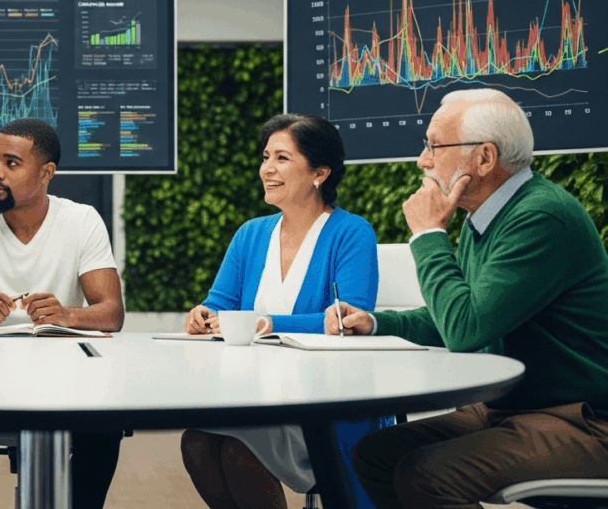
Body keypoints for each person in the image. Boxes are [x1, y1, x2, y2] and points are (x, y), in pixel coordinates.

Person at [327, 89, 608, 509]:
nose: (422, 161)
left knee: (425, 475)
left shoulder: (540, 216)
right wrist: (375, 321)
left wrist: (427, 234)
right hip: (514, 409)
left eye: (433, 145)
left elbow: (466, 329)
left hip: (581, 420)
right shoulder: (488, 216)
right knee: (376, 453)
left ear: (484, 158)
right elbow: (460, 314)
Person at [180, 112, 387, 509]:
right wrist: (202, 315)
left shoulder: (351, 233)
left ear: (320, 172)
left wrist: (267, 323)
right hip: (250, 392)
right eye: (265, 157)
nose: (267, 169)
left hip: (320, 399)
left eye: (282, 158)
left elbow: (348, 321)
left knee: (241, 449)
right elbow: (219, 304)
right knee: (197, 442)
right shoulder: (250, 233)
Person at [0, 117, 124, 509]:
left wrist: (66, 315)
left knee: (104, 425)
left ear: (46, 172)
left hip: (64, 375)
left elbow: (112, 313)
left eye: (11, 163)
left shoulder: (81, 220)